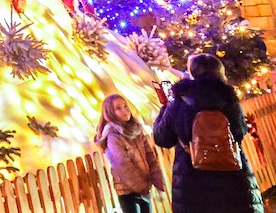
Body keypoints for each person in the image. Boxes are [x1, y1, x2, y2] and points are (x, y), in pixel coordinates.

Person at [152, 53, 264, 213]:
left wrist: (164, 109)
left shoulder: (178, 103)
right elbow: (239, 132)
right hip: (232, 178)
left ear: (192, 73)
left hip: (192, 184)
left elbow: (162, 138)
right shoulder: (229, 100)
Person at [96, 93, 166, 213]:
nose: (124, 110)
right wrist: (142, 188)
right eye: (118, 108)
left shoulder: (136, 130)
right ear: (109, 113)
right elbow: (122, 164)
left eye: (125, 106)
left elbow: (150, 157)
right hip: (127, 191)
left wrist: (158, 183)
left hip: (144, 188)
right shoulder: (112, 135)